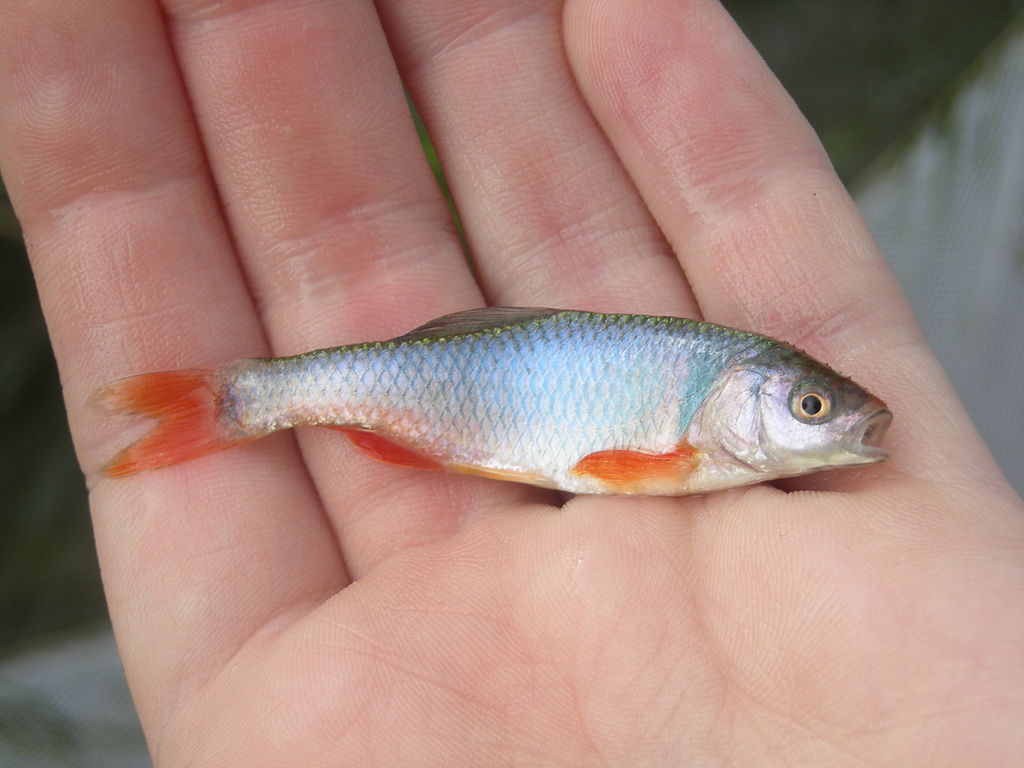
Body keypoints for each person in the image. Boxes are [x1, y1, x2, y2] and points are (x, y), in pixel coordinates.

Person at [1, 0, 1021, 764]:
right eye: (809, 407)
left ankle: (232, 400)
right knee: (267, 383)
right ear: (743, 394)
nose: (828, 420)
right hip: (459, 394)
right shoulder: (691, 438)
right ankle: (236, 399)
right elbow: (626, 468)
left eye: (814, 410)